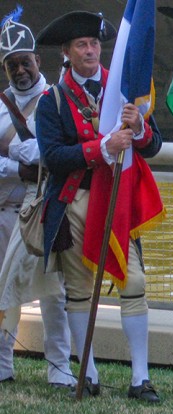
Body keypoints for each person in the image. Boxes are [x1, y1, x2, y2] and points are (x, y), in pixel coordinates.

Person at [34, 11, 162, 402]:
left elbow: (153, 146)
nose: (90, 51)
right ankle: (87, 372)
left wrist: (138, 128)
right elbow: (53, 157)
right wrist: (100, 148)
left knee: (134, 282)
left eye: (94, 44)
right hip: (75, 200)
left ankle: (140, 377)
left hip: (118, 198)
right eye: (81, 46)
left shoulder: (124, 90)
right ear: (66, 53)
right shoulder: (51, 101)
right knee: (78, 289)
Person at [0, 11, 75, 388]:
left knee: (54, 294)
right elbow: (26, 156)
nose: (19, 71)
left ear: (37, 60)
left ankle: (60, 369)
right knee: (2, 291)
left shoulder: (58, 98)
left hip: (45, 208)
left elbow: (57, 153)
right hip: (3, 211)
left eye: (24, 62)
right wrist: (17, 157)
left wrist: (20, 155)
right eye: (11, 65)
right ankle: (1, 365)